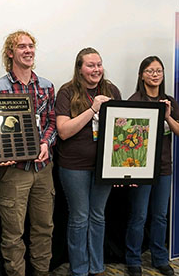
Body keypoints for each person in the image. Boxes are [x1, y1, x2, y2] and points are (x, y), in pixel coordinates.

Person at [0, 30, 56, 276]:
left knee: (44, 228)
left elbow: (51, 122)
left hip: (42, 168)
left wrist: (46, 144)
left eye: (30, 46)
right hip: (13, 171)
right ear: (10, 53)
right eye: (21, 47)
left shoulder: (46, 86)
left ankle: (41, 272)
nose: (28, 51)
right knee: (13, 233)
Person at [55, 47, 121, 276]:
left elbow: (121, 131)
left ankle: (97, 266)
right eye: (90, 65)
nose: (96, 69)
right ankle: (80, 269)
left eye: (99, 64)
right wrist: (92, 109)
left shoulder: (111, 90)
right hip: (74, 166)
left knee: (98, 215)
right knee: (80, 217)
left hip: (104, 166)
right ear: (80, 69)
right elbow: (63, 131)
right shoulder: (66, 92)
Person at [124, 56, 179, 276]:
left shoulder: (169, 101)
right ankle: (133, 259)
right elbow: (125, 140)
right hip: (140, 169)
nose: (155, 75)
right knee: (139, 216)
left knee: (160, 216)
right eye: (150, 71)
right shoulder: (134, 100)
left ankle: (159, 257)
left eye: (158, 71)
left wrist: (168, 117)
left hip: (164, 168)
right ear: (142, 75)